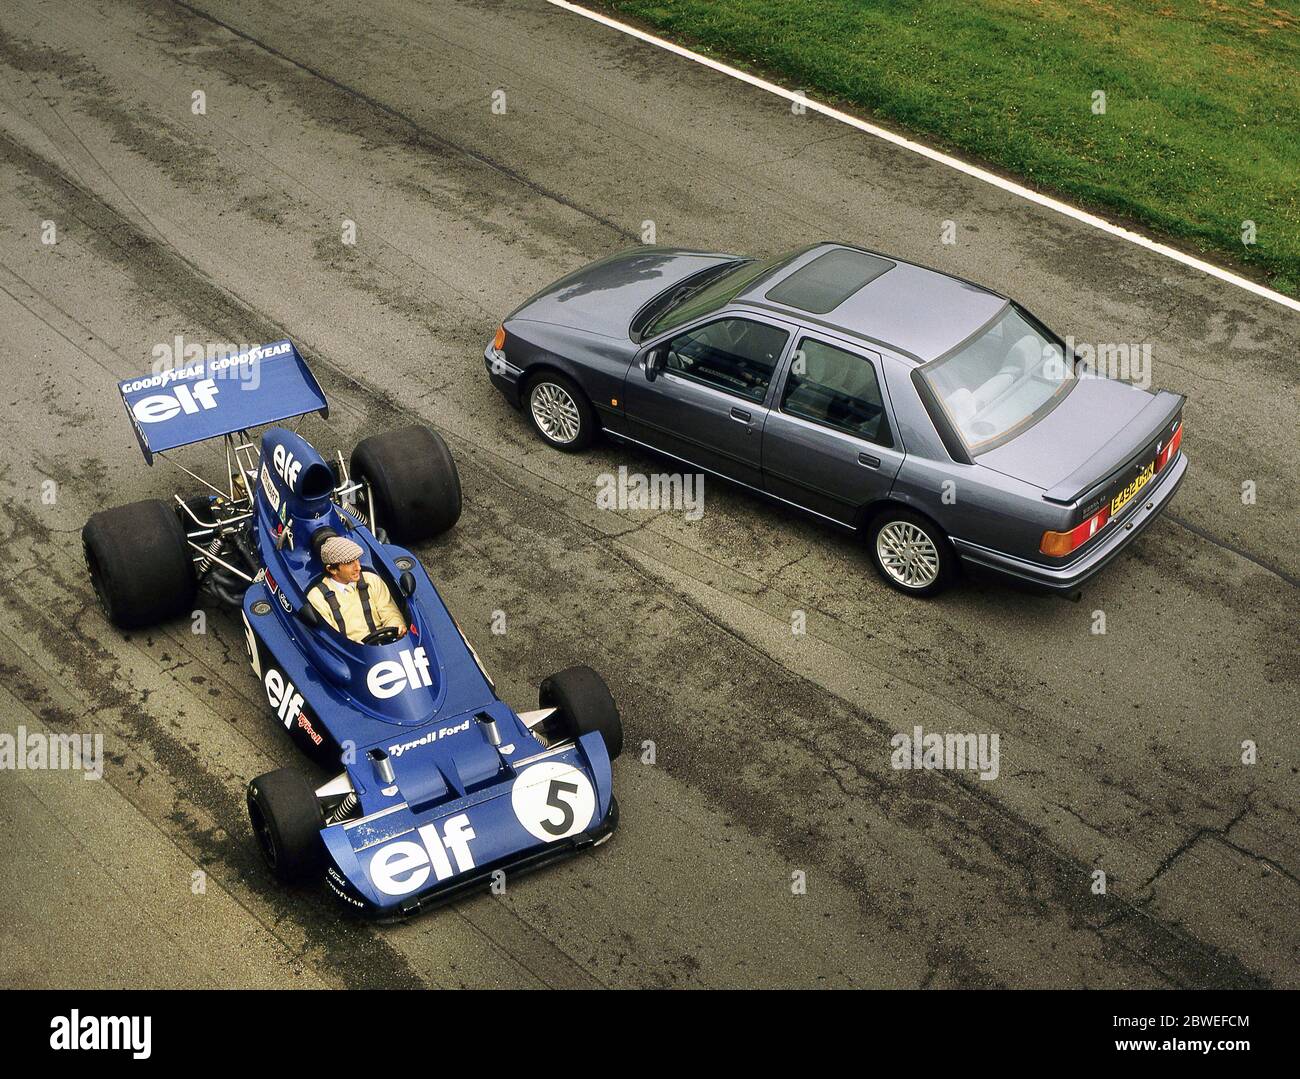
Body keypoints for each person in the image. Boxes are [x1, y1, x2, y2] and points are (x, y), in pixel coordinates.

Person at [308, 536, 407, 644]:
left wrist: (396, 627)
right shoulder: (317, 598)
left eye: (357, 559)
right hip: (351, 655)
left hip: (384, 646)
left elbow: (390, 613)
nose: (358, 567)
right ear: (332, 569)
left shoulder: (372, 580)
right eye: (350, 563)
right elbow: (330, 640)